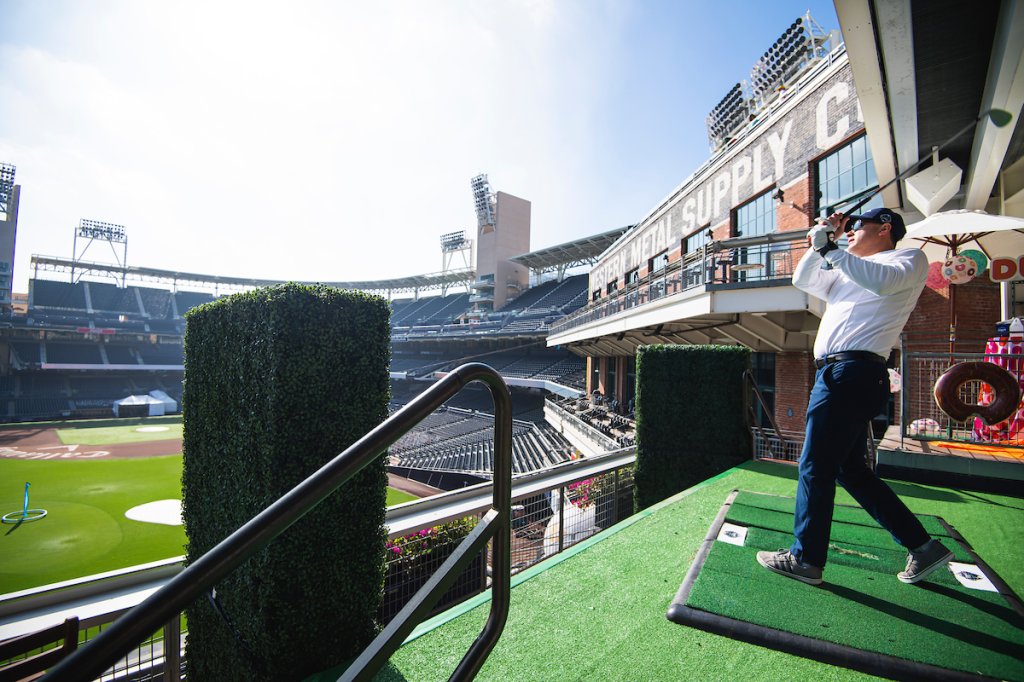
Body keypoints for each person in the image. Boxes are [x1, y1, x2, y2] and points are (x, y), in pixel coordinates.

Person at [756, 207, 953, 586]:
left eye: (855, 227)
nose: (849, 232)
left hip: (853, 371)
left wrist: (831, 250)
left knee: (814, 466)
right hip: (840, 373)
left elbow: (880, 283)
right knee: (851, 471)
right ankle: (924, 547)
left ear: (884, 228)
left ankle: (806, 559)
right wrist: (821, 242)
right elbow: (803, 279)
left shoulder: (907, 258)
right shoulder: (847, 267)